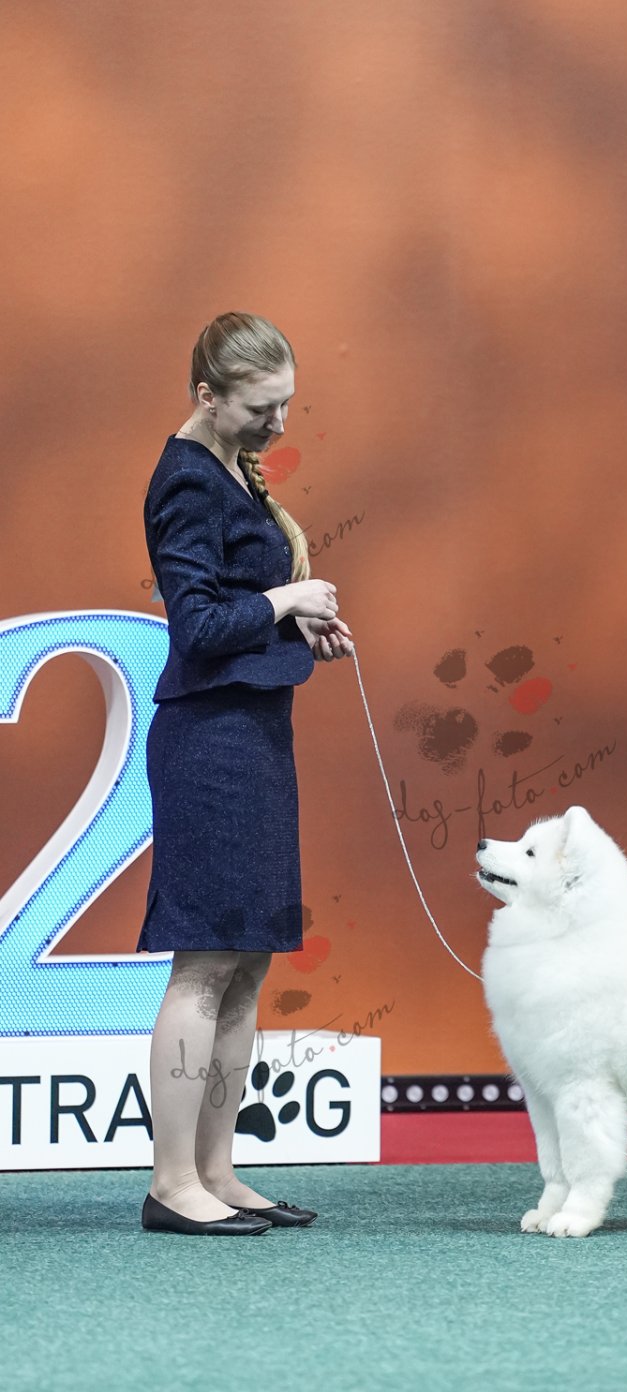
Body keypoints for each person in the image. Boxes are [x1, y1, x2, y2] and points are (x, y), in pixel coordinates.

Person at [136, 312, 353, 1235]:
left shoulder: (230, 467)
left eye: (288, 405)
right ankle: (169, 1182)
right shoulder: (187, 478)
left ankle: (216, 1171)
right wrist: (289, 594)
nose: (280, 424)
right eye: (263, 408)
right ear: (208, 396)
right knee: (204, 962)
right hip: (209, 746)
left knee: (247, 962)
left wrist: (291, 624)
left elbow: (234, 610)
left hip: (253, 736)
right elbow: (196, 627)